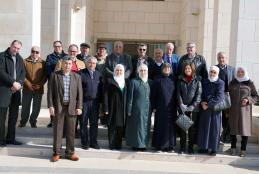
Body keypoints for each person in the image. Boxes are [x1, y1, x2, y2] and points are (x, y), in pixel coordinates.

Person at [47, 56, 83, 162]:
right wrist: (50, 105)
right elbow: (50, 93)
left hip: (72, 107)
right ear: (62, 64)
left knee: (71, 131)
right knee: (58, 130)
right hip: (59, 106)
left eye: (69, 64)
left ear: (72, 65)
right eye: (65, 63)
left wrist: (79, 107)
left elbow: (80, 93)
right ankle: (57, 153)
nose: (67, 65)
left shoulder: (77, 76)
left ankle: (70, 153)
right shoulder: (54, 75)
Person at [228, 67, 259, 157]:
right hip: (233, 110)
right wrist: (226, 111)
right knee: (233, 130)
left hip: (245, 111)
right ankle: (233, 148)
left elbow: (256, 96)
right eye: (238, 71)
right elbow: (227, 96)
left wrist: (248, 99)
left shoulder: (249, 83)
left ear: (245, 72)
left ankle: (243, 149)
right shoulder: (232, 82)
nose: (240, 73)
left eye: (242, 72)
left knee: (244, 130)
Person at [0, 40, 25, 146]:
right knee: (1, 117)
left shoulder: (20, 58)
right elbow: (1, 72)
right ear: (10, 46)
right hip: (4, 90)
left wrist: (19, 83)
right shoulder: (2, 56)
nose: (16, 50)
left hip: (16, 91)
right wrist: (12, 82)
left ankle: (11, 138)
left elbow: (23, 73)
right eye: (14, 47)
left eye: (18, 48)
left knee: (13, 117)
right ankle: (1, 140)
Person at [197, 66, 224, 156]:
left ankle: (213, 149)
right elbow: (199, 93)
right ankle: (203, 147)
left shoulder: (220, 83)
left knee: (214, 129)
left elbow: (220, 97)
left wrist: (208, 105)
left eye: (214, 72)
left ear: (217, 74)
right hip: (204, 109)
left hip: (214, 110)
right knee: (204, 128)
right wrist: (201, 103)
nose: (212, 74)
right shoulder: (204, 81)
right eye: (211, 72)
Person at [176, 62, 202, 154]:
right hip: (183, 109)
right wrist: (181, 104)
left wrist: (192, 106)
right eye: (186, 68)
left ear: (192, 70)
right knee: (183, 129)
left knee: (192, 130)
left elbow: (198, 95)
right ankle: (182, 148)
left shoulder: (197, 81)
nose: (187, 70)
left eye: (189, 69)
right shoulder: (180, 80)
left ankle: (190, 148)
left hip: (193, 110)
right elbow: (178, 93)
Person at [19, 46, 47, 128]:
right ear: (31, 52)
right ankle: (23, 122)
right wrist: (28, 84)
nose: (34, 53)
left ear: (39, 53)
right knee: (25, 106)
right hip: (27, 88)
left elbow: (45, 76)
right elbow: (22, 74)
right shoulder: (24, 61)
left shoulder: (43, 63)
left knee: (36, 107)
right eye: (33, 51)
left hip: (38, 89)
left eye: (37, 52)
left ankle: (33, 121)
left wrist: (40, 85)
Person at [151, 63, 177, 152]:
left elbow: (176, 94)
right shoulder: (157, 79)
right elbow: (153, 95)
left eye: (168, 68)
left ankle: (170, 146)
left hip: (171, 108)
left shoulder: (174, 79)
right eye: (165, 68)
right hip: (160, 107)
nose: (167, 69)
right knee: (160, 126)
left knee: (170, 127)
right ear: (162, 69)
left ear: (170, 69)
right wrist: (154, 106)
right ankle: (159, 146)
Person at [126, 64, 151, 151]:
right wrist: (129, 110)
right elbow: (130, 97)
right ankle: (136, 145)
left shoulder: (149, 82)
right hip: (136, 110)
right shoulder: (133, 82)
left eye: (145, 70)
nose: (143, 72)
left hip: (147, 110)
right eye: (141, 70)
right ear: (138, 72)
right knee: (137, 128)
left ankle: (143, 144)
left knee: (145, 127)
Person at [79, 56, 102, 150]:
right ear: (86, 63)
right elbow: (78, 90)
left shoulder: (99, 74)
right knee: (83, 123)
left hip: (95, 103)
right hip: (84, 102)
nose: (92, 65)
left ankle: (93, 142)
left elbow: (101, 89)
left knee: (94, 123)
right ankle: (85, 143)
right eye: (90, 62)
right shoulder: (81, 73)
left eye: (94, 63)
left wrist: (101, 104)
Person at [104, 64, 127, 150]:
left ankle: (118, 145)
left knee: (120, 127)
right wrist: (106, 108)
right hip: (112, 107)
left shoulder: (125, 82)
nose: (119, 72)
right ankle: (112, 144)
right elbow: (105, 95)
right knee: (112, 126)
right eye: (117, 70)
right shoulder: (109, 80)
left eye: (121, 70)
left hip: (122, 108)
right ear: (114, 71)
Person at [45, 40, 67, 128]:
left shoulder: (66, 56)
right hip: (53, 81)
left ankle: (64, 120)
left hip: (64, 81)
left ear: (62, 47)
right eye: (55, 46)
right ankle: (52, 120)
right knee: (53, 101)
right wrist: (54, 77)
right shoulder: (49, 57)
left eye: (59, 46)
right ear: (53, 47)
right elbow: (47, 68)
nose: (57, 48)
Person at [215, 52, 235, 143]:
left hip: (227, 97)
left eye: (223, 57)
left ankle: (226, 136)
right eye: (219, 57)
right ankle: (216, 136)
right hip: (217, 97)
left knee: (226, 118)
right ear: (217, 59)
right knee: (217, 117)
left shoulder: (232, 69)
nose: (221, 59)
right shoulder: (214, 68)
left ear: (226, 58)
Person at [95, 43, 108, 126]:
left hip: (105, 84)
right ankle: (97, 118)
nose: (101, 51)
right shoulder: (94, 59)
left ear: (105, 51)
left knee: (105, 102)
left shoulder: (108, 60)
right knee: (97, 103)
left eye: (103, 49)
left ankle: (104, 120)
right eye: (100, 49)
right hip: (96, 84)